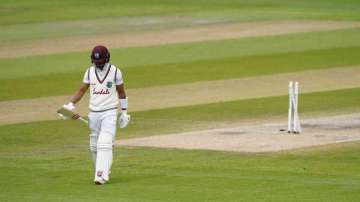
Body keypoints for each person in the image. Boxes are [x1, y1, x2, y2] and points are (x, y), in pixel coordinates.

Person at [61, 45, 130, 185]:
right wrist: (70, 105)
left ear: (107, 58)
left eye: (101, 62)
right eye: (96, 62)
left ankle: (101, 176)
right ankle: (103, 170)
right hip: (94, 113)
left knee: (104, 142)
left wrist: (124, 112)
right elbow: (81, 90)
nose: (98, 64)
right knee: (94, 145)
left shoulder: (115, 71)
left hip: (109, 112)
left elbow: (121, 92)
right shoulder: (89, 72)